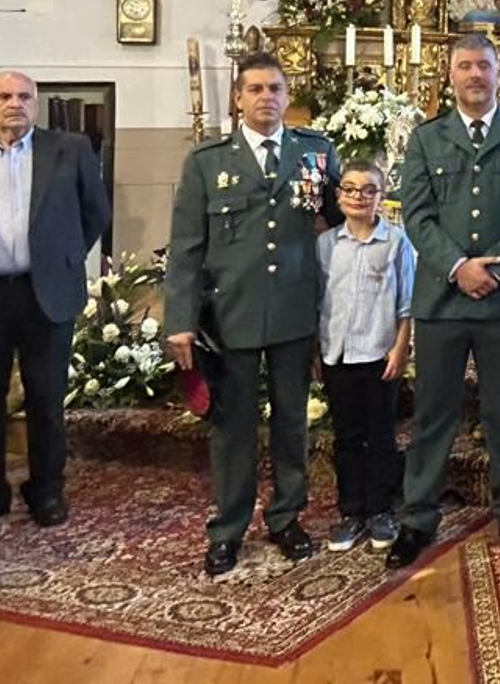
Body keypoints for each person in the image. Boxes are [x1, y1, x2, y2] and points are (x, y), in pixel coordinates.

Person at [165, 51, 341, 577]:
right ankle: (229, 527)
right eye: (256, 89)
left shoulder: (316, 153)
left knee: (293, 421)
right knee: (233, 428)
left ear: (288, 97)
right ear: (238, 98)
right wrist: (181, 320)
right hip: (231, 314)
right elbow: (186, 248)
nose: (267, 97)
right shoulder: (207, 162)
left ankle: (287, 517)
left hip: (294, 310)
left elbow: (341, 223)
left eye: (275, 88)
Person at [390, 34, 500, 567]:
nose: (475, 74)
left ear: (498, 73)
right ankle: (418, 517)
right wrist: (459, 267)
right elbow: (417, 215)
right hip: (442, 299)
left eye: (483, 65)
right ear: (450, 74)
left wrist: (492, 268)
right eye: (465, 66)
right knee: (433, 415)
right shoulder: (426, 138)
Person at [0, 72, 110, 538]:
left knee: (46, 398)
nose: (15, 103)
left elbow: (96, 213)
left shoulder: (69, 150)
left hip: (43, 293)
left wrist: (62, 258)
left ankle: (46, 489)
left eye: (24, 96)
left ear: (36, 104)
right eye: (5, 96)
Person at [316, 160, 413, 554]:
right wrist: (317, 351)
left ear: (381, 196)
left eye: (369, 189)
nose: (359, 196)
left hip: (378, 352)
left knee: (380, 433)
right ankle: (351, 510)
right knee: (347, 435)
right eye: (351, 189)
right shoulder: (326, 245)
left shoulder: (396, 242)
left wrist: (401, 348)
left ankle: (380, 509)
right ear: (339, 196)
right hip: (337, 352)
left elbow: (407, 302)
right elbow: (319, 300)